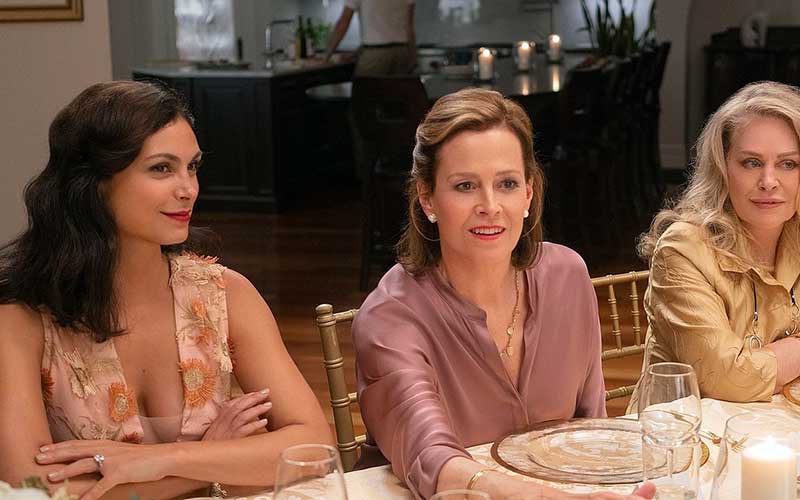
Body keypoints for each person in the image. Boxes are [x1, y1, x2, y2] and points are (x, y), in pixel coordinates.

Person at [0, 81, 331, 500]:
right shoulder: (21, 319)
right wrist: (210, 462)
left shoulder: (225, 295)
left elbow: (313, 446)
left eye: (192, 167)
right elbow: (28, 486)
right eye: (161, 168)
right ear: (94, 183)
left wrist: (164, 460)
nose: (187, 188)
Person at [352, 88, 655, 500]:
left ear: (528, 193)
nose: (490, 205)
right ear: (427, 198)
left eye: (507, 183)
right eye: (465, 186)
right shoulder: (389, 317)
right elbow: (433, 460)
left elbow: (590, 429)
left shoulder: (567, 276)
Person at [632, 81, 800, 406]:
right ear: (722, 168)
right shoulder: (682, 249)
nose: (768, 181)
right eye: (751, 162)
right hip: (686, 431)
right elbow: (727, 378)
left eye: (788, 164)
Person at [324, 0, 416, 76]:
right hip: (402, 53)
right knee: (396, 92)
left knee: (365, 91)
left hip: (375, 57)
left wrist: (326, 56)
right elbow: (408, 27)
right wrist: (413, 57)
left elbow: (343, 22)